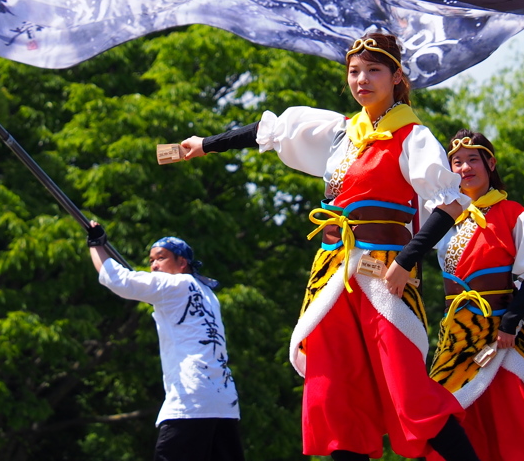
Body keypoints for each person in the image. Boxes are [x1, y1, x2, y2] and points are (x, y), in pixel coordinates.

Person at [179, 33, 479, 461]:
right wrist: (207, 144)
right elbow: (273, 133)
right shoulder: (340, 133)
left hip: (386, 274)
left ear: (396, 76)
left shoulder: (413, 137)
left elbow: (450, 202)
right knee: (336, 393)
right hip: (333, 275)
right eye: (354, 71)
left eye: (374, 70)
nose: (362, 80)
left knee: (408, 390)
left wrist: (407, 261)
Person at [395, 130, 524, 461]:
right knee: (447, 420)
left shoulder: (513, 213)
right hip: (455, 338)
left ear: (490, 163)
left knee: (517, 422)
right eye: (456, 162)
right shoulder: (445, 219)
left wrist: (511, 323)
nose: (464, 168)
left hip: (498, 334)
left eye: (472, 159)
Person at [87, 223, 244, 461]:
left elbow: (118, 280)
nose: (154, 265)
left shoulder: (176, 284)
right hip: (224, 403)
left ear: (182, 263)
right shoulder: (208, 293)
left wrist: (96, 245)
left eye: (161, 258)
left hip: (191, 401)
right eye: (151, 260)